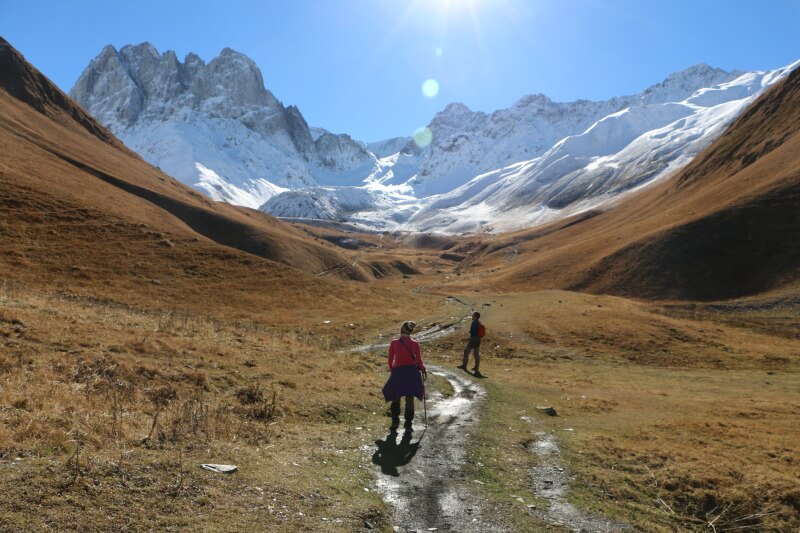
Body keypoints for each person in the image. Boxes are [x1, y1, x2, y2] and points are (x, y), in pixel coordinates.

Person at [382, 321, 427, 431]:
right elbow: (419, 361)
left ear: (402, 329)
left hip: (398, 372)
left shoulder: (394, 343)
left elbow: (389, 360)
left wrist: (393, 371)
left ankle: (395, 422)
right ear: (410, 331)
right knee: (409, 398)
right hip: (411, 373)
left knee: (395, 397)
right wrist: (422, 368)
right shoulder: (415, 343)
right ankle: (408, 424)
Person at [458, 312, 484, 377]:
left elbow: (472, 331)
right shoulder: (479, 322)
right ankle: (476, 367)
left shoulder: (474, 323)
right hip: (478, 340)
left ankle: (464, 365)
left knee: (466, 351)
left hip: (473, 339)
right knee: (476, 354)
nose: (472, 316)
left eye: (473, 315)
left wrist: (470, 332)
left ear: (476, 316)